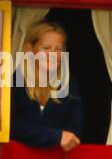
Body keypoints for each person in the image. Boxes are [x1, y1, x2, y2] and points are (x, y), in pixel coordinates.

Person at [11, 19, 84, 151]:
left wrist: (60, 137)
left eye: (58, 49)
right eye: (46, 48)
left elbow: (74, 130)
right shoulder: (15, 80)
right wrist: (56, 136)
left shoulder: (68, 83)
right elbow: (11, 126)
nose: (52, 54)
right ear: (29, 49)